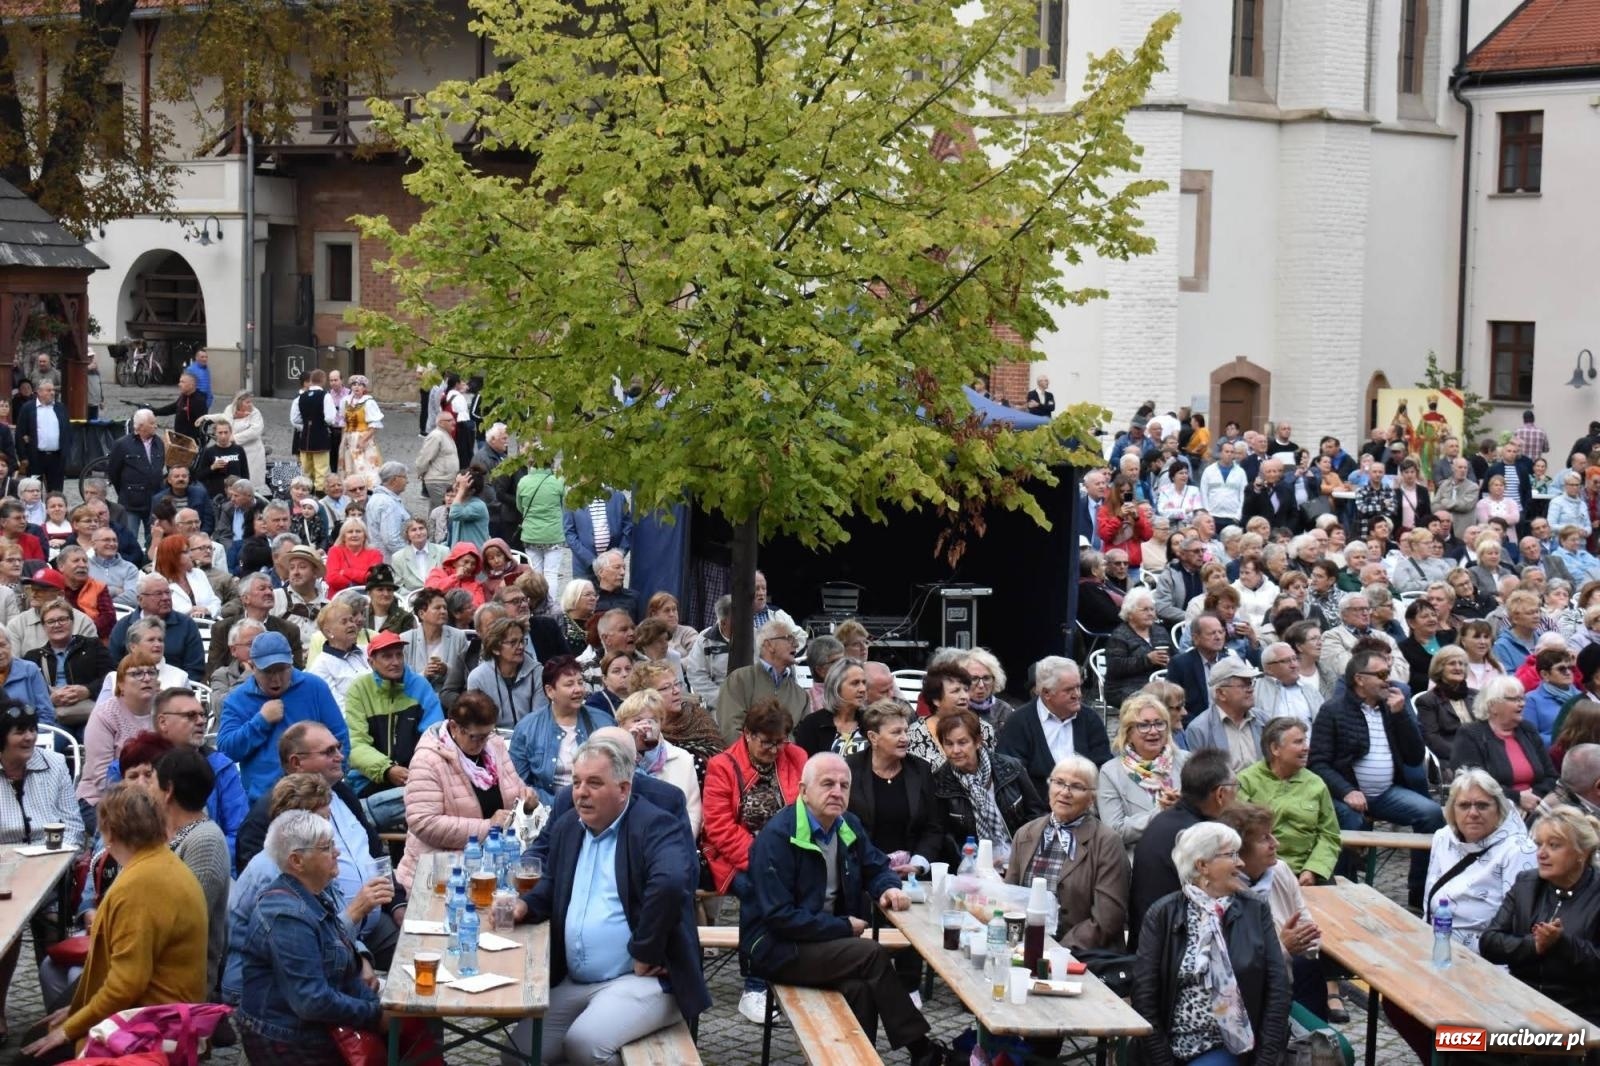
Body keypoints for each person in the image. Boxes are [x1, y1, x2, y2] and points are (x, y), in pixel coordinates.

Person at [507, 735, 707, 1062]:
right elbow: (553, 883)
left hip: (641, 979)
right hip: (576, 980)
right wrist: (525, 906)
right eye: (576, 782)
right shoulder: (569, 826)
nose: (581, 793)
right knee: (519, 1053)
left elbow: (671, 883)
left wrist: (646, 950)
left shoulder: (655, 824)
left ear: (624, 789)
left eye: (594, 783)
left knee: (583, 1045)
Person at [740, 752, 945, 1066]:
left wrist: (888, 887)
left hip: (825, 944)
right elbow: (779, 917)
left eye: (844, 785)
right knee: (872, 954)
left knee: (860, 988)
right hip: (776, 948)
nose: (837, 791)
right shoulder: (778, 837)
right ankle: (923, 1050)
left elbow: (876, 866)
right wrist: (843, 927)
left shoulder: (847, 824)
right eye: (827, 784)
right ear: (803, 791)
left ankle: (858, 1060)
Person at [19, 784, 205, 1063]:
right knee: (44, 1028)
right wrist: (77, 1010)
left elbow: (125, 986)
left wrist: (71, 1028)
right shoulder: (161, 863)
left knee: (33, 1052)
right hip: (161, 1009)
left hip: (152, 1023)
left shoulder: (140, 884)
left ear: (109, 833)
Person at [1131, 820, 1290, 1066]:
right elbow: (1144, 996)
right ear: (1202, 865)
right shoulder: (1163, 914)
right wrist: (1163, 1061)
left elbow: (1278, 989)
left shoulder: (1254, 909)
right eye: (1231, 855)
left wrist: (1265, 1060)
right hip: (1169, 1048)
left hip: (1231, 1046)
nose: (1241, 863)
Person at [232, 809, 384, 1065]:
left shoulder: (314, 895)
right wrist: (374, 1015)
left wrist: (376, 1006)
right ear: (297, 861)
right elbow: (312, 1001)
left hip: (310, 1028)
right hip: (290, 1040)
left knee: (416, 1025)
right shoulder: (286, 915)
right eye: (326, 848)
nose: (337, 853)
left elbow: (343, 973)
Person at [1311, 648, 1444, 908]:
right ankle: (1343, 893)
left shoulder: (1391, 707)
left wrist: (1402, 714)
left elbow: (1415, 756)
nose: (1388, 680)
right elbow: (1318, 762)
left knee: (1432, 814)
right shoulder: (1333, 710)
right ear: (1360, 679)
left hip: (1385, 793)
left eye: (1389, 673)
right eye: (1382, 674)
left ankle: (1419, 893)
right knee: (1349, 819)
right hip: (1344, 794)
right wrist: (1347, 790)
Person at [700, 697, 806, 1022]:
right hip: (735, 858)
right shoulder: (723, 765)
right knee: (762, 891)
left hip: (789, 854)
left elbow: (807, 809)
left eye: (780, 742)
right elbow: (719, 828)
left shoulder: (796, 757)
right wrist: (764, 861)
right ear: (747, 734)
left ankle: (795, 969)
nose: (775, 749)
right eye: (767, 742)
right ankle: (755, 985)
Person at [1215, 805, 1334, 1033]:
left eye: (1272, 834)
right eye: (1264, 839)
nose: (1275, 843)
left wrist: (1295, 944)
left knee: (1333, 1047)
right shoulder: (1221, 891)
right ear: (1238, 852)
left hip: (1284, 991)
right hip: (1240, 1008)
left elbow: (1311, 938)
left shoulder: (1280, 871)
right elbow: (1232, 970)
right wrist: (1284, 948)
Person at [396, 690, 531, 890]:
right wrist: (488, 827)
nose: (483, 743)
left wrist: (527, 799)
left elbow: (514, 789)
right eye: (475, 737)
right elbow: (423, 822)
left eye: (488, 734)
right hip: (441, 876)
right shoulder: (428, 760)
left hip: (490, 868)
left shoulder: (494, 746)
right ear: (454, 727)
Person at [1480, 806, 1600, 1025]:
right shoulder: (1526, 884)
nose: (1541, 853)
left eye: (1553, 846)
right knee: (1453, 1038)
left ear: (1581, 852)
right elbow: (1489, 943)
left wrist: (1562, 944)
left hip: (1578, 1013)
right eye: (1539, 844)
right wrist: (1533, 946)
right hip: (1520, 1003)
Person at [1006, 754, 1129, 951]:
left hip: (1081, 955)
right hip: (1024, 948)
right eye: (1059, 783)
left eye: (1077, 786)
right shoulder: (1026, 834)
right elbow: (1010, 899)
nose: (1065, 792)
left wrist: (1057, 951)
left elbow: (1108, 919)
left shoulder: (1107, 842)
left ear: (1091, 799)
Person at [217, 631, 350, 804]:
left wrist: (331, 781)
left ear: (291, 663)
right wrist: (261, 722)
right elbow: (226, 750)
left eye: (282, 670)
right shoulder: (237, 700)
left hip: (318, 794)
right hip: (266, 801)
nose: (276, 679)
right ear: (252, 666)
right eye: (268, 672)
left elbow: (340, 737)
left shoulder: (314, 687)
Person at [140, 746, 232, 997]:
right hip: (147, 964)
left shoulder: (205, 840)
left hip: (175, 981)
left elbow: (183, 922)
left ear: (168, 790)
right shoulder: (161, 832)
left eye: (152, 780)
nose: (147, 788)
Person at [1128, 748, 1237, 950]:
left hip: (1146, 945)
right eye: (1236, 787)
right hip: (1175, 955)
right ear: (1221, 794)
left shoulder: (1163, 820)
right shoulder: (1201, 837)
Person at [930, 709, 1045, 868]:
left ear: (977, 741)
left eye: (962, 742)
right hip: (972, 865)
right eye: (949, 744)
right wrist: (972, 863)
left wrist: (1018, 855)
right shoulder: (940, 782)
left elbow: (1037, 815)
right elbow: (946, 837)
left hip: (1019, 858)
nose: (955, 750)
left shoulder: (1011, 767)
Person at [1236, 717, 1341, 886]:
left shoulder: (1316, 784)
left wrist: (1313, 869)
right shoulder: (1246, 781)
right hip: (1260, 871)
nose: (1306, 748)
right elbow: (1238, 833)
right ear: (1275, 748)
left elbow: (1330, 834)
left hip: (1306, 872)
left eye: (1305, 741)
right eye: (1298, 742)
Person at [996, 656, 1112, 798]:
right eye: (1069, 690)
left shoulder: (1090, 719)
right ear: (1046, 693)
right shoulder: (1019, 722)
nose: (1077, 695)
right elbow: (1010, 776)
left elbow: (1104, 766)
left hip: (1085, 806)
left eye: (1078, 687)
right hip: (1037, 811)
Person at [509, 655, 615, 803]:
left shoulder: (603, 721)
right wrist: (557, 804)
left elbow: (620, 769)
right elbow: (519, 783)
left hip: (597, 803)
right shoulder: (527, 728)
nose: (578, 689)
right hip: (548, 808)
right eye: (569, 684)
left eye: (580, 682)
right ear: (550, 691)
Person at [1098, 693, 1190, 856]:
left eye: (1159, 723)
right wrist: (1160, 812)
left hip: (1188, 853)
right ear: (1128, 732)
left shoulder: (1187, 761)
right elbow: (1114, 831)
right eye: (1144, 725)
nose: (1153, 731)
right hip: (1141, 858)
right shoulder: (1110, 772)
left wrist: (1183, 806)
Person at [1450, 675, 1557, 815]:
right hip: (1494, 806)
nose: (1522, 703)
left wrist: (1533, 796)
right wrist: (1517, 797)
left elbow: (1551, 775)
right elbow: (1473, 783)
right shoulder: (1471, 733)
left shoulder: (1527, 729)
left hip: (1536, 803)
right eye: (1515, 699)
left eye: (1522, 698)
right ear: (1493, 705)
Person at [614, 688, 703, 835]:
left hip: (671, 841)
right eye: (637, 720)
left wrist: (680, 845)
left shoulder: (682, 758)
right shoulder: (611, 760)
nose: (646, 726)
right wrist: (628, 749)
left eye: (653, 720)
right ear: (621, 725)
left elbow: (692, 813)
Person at [25, 599, 112, 730]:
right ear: (43, 626)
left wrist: (88, 690)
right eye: (51, 622)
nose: (57, 625)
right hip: (54, 720)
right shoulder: (33, 657)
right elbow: (27, 693)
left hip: (91, 715)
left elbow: (112, 677)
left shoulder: (93, 646)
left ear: (72, 622)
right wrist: (49, 699)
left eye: (62, 619)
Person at [717, 619, 808, 742]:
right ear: (769, 645)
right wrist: (755, 757)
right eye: (789, 639)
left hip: (786, 760)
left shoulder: (801, 696)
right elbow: (730, 730)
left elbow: (803, 740)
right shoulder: (739, 680)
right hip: (744, 760)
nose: (796, 645)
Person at [107, 574, 206, 681]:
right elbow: (113, 666)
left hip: (176, 688)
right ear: (140, 600)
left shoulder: (186, 624)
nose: (166, 598)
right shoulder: (124, 626)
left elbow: (195, 668)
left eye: (168, 592)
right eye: (158, 594)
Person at [1184, 659, 1270, 772]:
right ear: (1221, 694)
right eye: (1243, 685)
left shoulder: (1263, 719)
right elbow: (1200, 777)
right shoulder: (1199, 729)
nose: (1250, 690)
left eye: (1251, 683)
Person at [466, 616, 541, 729]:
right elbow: (479, 723)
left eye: (522, 641)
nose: (520, 647)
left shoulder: (537, 672)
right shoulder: (477, 678)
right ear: (495, 649)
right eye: (513, 642)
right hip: (494, 739)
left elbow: (539, 717)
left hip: (530, 737)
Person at [400, 587, 468, 711]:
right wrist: (423, 674)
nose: (443, 611)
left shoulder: (459, 636)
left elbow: (466, 675)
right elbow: (401, 677)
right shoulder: (406, 639)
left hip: (447, 703)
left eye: (445, 608)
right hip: (414, 699)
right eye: (437, 608)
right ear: (421, 614)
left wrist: (446, 670)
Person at [104, 409, 165, 540]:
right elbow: (113, 472)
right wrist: (125, 491)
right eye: (152, 423)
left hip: (153, 501)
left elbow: (160, 466)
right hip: (131, 502)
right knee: (130, 538)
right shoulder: (122, 444)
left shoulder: (159, 442)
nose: (156, 425)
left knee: (154, 539)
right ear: (141, 426)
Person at [1106, 588, 1171, 708]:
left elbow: (1175, 655)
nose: (1151, 613)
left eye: (1152, 609)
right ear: (1129, 613)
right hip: (1124, 686)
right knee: (1155, 698)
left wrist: (1170, 660)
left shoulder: (1160, 631)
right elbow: (1115, 667)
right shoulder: (1120, 635)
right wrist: (1147, 660)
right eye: (1145, 610)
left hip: (1158, 682)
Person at [1415, 645, 1473, 775]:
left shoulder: (1476, 696)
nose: (1458, 668)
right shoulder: (1427, 701)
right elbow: (1432, 738)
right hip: (1451, 760)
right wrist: (1465, 754)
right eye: (1452, 663)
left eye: (1462, 664)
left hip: (1483, 756)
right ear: (1440, 668)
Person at [793, 657, 869, 756]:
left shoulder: (871, 722)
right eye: (855, 683)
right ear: (836, 687)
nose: (862, 689)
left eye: (864, 683)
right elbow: (804, 764)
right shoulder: (813, 724)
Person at [564, 488, 632, 584]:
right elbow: (569, 532)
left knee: (613, 598)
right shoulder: (573, 497)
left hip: (612, 565)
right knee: (586, 596)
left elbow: (628, 528)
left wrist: (618, 554)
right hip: (584, 565)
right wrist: (591, 560)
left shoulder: (617, 496)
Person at [16, 380, 69, 492]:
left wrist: (66, 453)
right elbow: (20, 433)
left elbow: (68, 431)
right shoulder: (28, 408)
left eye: (53, 390)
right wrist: (23, 457)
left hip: (56, 457)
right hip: (35, 457)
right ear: (39, 392)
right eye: (49, 390)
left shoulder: (60, 408)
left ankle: (55, 509)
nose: (52, 393)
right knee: (34, 490)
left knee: (56, 491)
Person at [1523, 645, 1580, 746]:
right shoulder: (1532, 700)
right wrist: (1565, 740)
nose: (1568, 672)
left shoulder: (1581, 696)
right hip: (1551, 756)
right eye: (1561, 669)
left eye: (1569, 668)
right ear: (1545, 674)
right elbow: (1530, 737)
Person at [337, 375, 383, 481]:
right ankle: (350, 488)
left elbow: (374, 426)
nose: (356, 387)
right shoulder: (345, 401)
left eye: (360, 385)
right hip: (348, 438)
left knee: (364, 466)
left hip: (363, 438)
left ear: (364, 388)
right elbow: (343, 423)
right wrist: (342, 441)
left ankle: (367, 490)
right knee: (349, 466)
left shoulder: (368, 402)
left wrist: (363, 440)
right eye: (354, 385)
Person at [323, 516, 383, 596]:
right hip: (339, 599)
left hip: (368, 598)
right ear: (344, 537)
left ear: (364, 536)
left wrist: (345, 572)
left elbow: (374, 578)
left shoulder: (375, 553)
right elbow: (331, 578)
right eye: (350, 532)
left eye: (358, 531)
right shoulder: (334, 551)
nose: (354, 535)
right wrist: (352, 585)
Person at [391, 517, 446, 593]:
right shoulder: (398, 557)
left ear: (427, 531)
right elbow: (397, 586)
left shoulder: (443, 552)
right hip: (411, 600)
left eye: (421, 528)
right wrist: (415, 598)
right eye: (413, 530)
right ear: (407, 535)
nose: (418, 533)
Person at [448, 466, 491, 547]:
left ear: (472, 491)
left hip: (474, 556)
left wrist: (461, 491)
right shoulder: (459, 503)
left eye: (460, 485)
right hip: (459, 555)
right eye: (455, 483)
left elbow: (454, 514)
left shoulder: (478, 506)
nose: (454, 487)